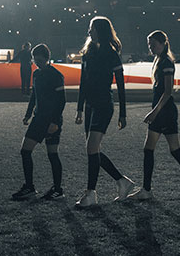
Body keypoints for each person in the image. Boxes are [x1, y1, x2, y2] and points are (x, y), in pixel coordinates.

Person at [127, 31, 180, 202]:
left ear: (163, 43)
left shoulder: (166, 63)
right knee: (160, 150)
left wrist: (154, 112)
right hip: (163, 112)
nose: (151, 47)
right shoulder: (161, 61)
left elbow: (168, 91)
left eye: (153, 43)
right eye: (149, 44)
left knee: (168, 151)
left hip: (165, 113)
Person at [74, 16, 134, 208]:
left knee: (92, 148)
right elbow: (83, 82)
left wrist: (122, 113)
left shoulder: (111, 54)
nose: (89, 32)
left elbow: (121, 86)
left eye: (92, 28)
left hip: (103, 105)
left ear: (100, 30)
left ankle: (91, 194)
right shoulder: (87, 53)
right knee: (93, 150)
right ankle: (122, 181)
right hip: (90, 105)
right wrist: (79, 108)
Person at [12, 44, 66, 201]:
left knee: (52, 154)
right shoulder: (36, 74)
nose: (37, 62)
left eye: (39, 60)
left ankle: (57, 189)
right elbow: (34, 95)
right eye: (35, 59)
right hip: (38, 119)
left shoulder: (56, 75)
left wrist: (55, 122)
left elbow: (61, 101)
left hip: (51, 120)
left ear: (47, 58)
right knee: (25, 151)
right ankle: (30, 187)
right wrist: (28, 114)